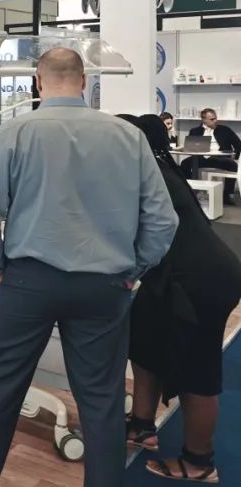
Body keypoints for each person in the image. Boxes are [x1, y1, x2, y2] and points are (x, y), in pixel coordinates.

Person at [0, 48, 178, 487]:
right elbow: (162, 221)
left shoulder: (12, 133)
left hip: (28, 280)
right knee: (101, 396)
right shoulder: (128, 136)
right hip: (105, 284)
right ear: (84, 82)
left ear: (38, 82)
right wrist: (133, 270)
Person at [125, 114, 241, 483]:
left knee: (196, 372)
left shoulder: (143, 174)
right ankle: (142, 426)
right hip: (178, 275)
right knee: (143, 343)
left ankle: (199, 462)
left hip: (198, 281)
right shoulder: (157, 166)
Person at [180, 108, 241, 204]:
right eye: (212, 119)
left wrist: (235, 156)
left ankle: (226, 196)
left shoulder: (225, 130)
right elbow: (190, 147)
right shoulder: (195, 131)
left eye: (215, 118)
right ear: (204, 120)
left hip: (220, 158)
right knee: (184, 163)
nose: (215, 121)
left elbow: (238, 145)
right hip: (201, 158)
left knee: (233, 165)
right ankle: (190, 191)